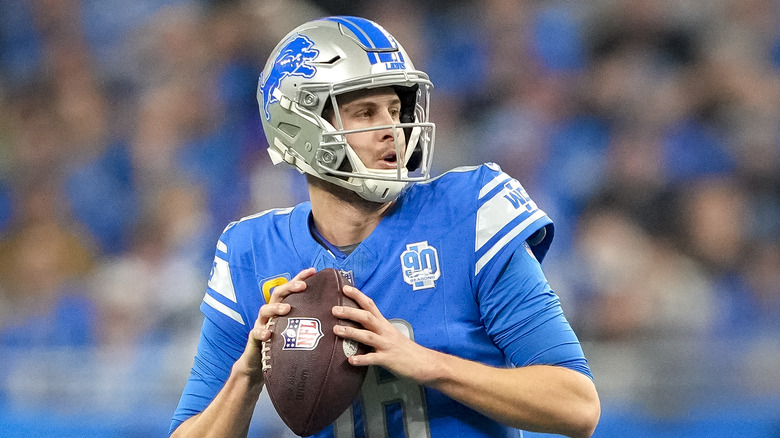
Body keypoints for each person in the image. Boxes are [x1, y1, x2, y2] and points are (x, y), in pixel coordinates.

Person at [170, 15, 600, 438]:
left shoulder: (468, 213)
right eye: (364, 112)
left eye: (396, 109)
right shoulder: (252, 252)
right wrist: (245, 379)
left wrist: (428, 363)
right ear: (299, 127)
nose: (392, 129)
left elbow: (576, 405)